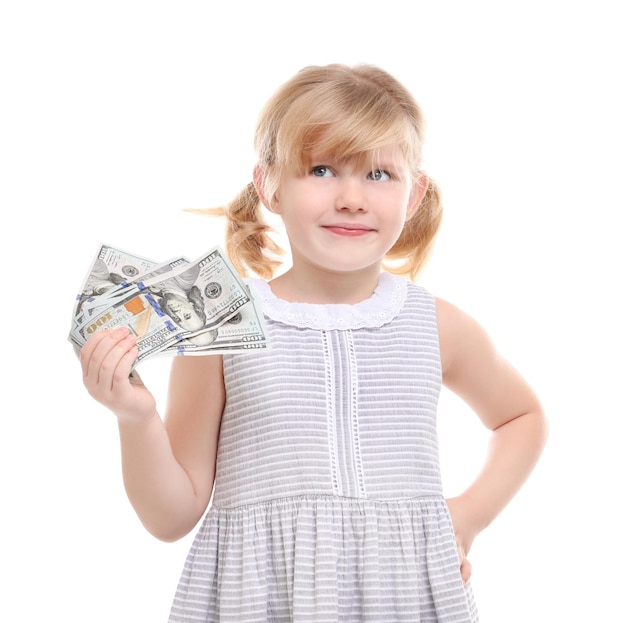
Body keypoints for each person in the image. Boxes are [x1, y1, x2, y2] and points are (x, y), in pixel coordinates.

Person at [79, 63, 548, 622]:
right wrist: (135, 418)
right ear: (269, 185)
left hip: (405, 598)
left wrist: (469, 515)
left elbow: (521, 417)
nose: (352, 198)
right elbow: (171, 517)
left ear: (414, 192)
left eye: (379, 174)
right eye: (322, 169)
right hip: (263, 599)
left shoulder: (437, 325)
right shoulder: (223, 332)